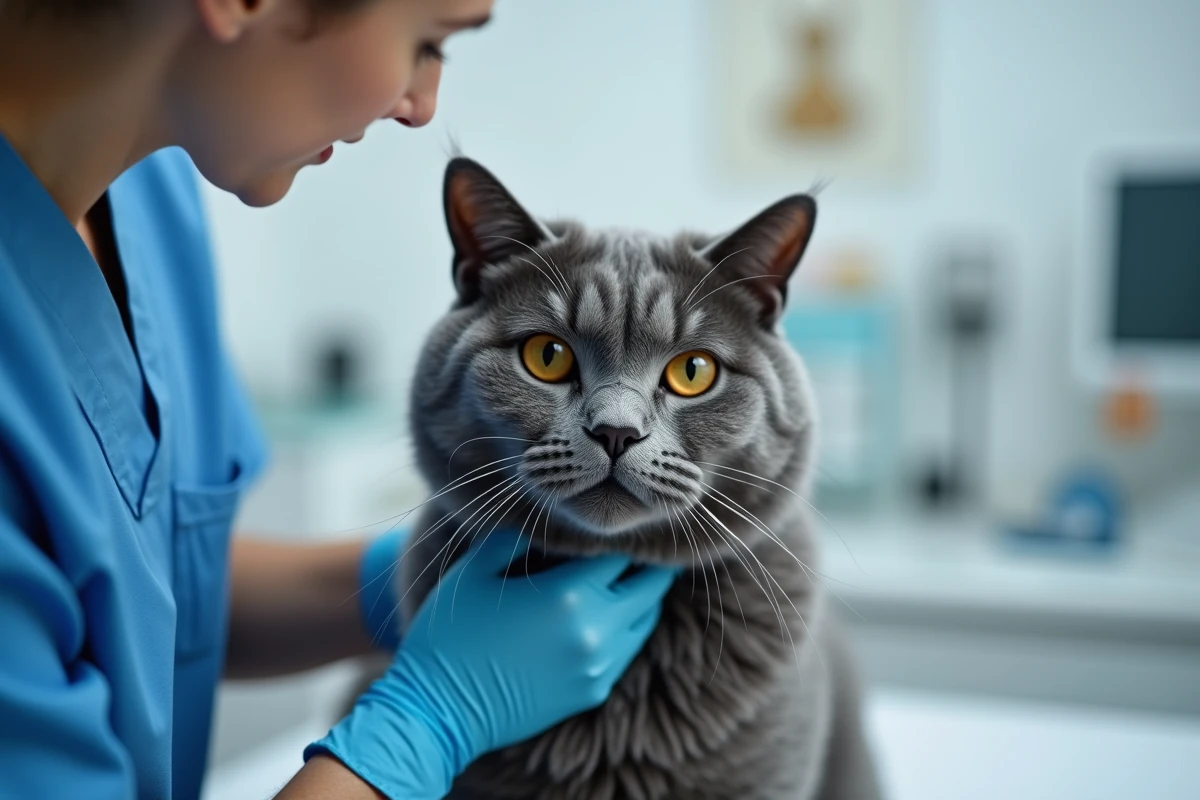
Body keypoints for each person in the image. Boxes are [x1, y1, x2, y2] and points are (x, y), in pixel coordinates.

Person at [0, 1, 678, 798]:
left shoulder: (151, 195)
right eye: (427, 43)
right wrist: (431, 716)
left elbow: (144, 593)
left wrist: (413, 576)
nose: (421, 105)